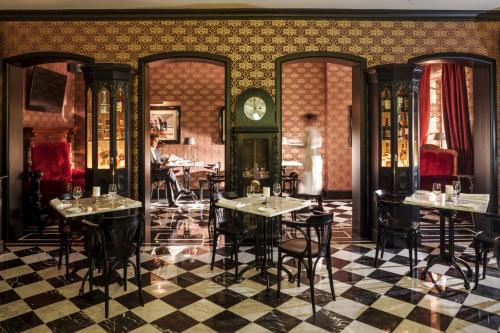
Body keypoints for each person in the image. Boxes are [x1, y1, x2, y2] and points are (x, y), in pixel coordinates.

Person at [299, 113, 324, 209]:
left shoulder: (314, 132)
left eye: (306, 120)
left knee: (313, 182)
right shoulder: (309, 132)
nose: (304, 122)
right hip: (310, 159)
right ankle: (309, 205)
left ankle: (317, 205)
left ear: (311, 120)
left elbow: (314, 148)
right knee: (308, 182)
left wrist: (309, 162)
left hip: (314, 160)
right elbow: (305, 145)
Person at [150, 134, 182, 206]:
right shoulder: (146, 151)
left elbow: (160, 159)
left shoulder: (157, 151)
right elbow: (148, 164)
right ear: (150, 140)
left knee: (168, 174)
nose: (157, 143)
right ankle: (179, 189)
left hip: (159, 172)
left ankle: (171, 202)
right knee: (168, 172)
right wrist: (160, 164)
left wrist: (168, 159)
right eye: (155, 141)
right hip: (151, 174)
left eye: (157, 141)